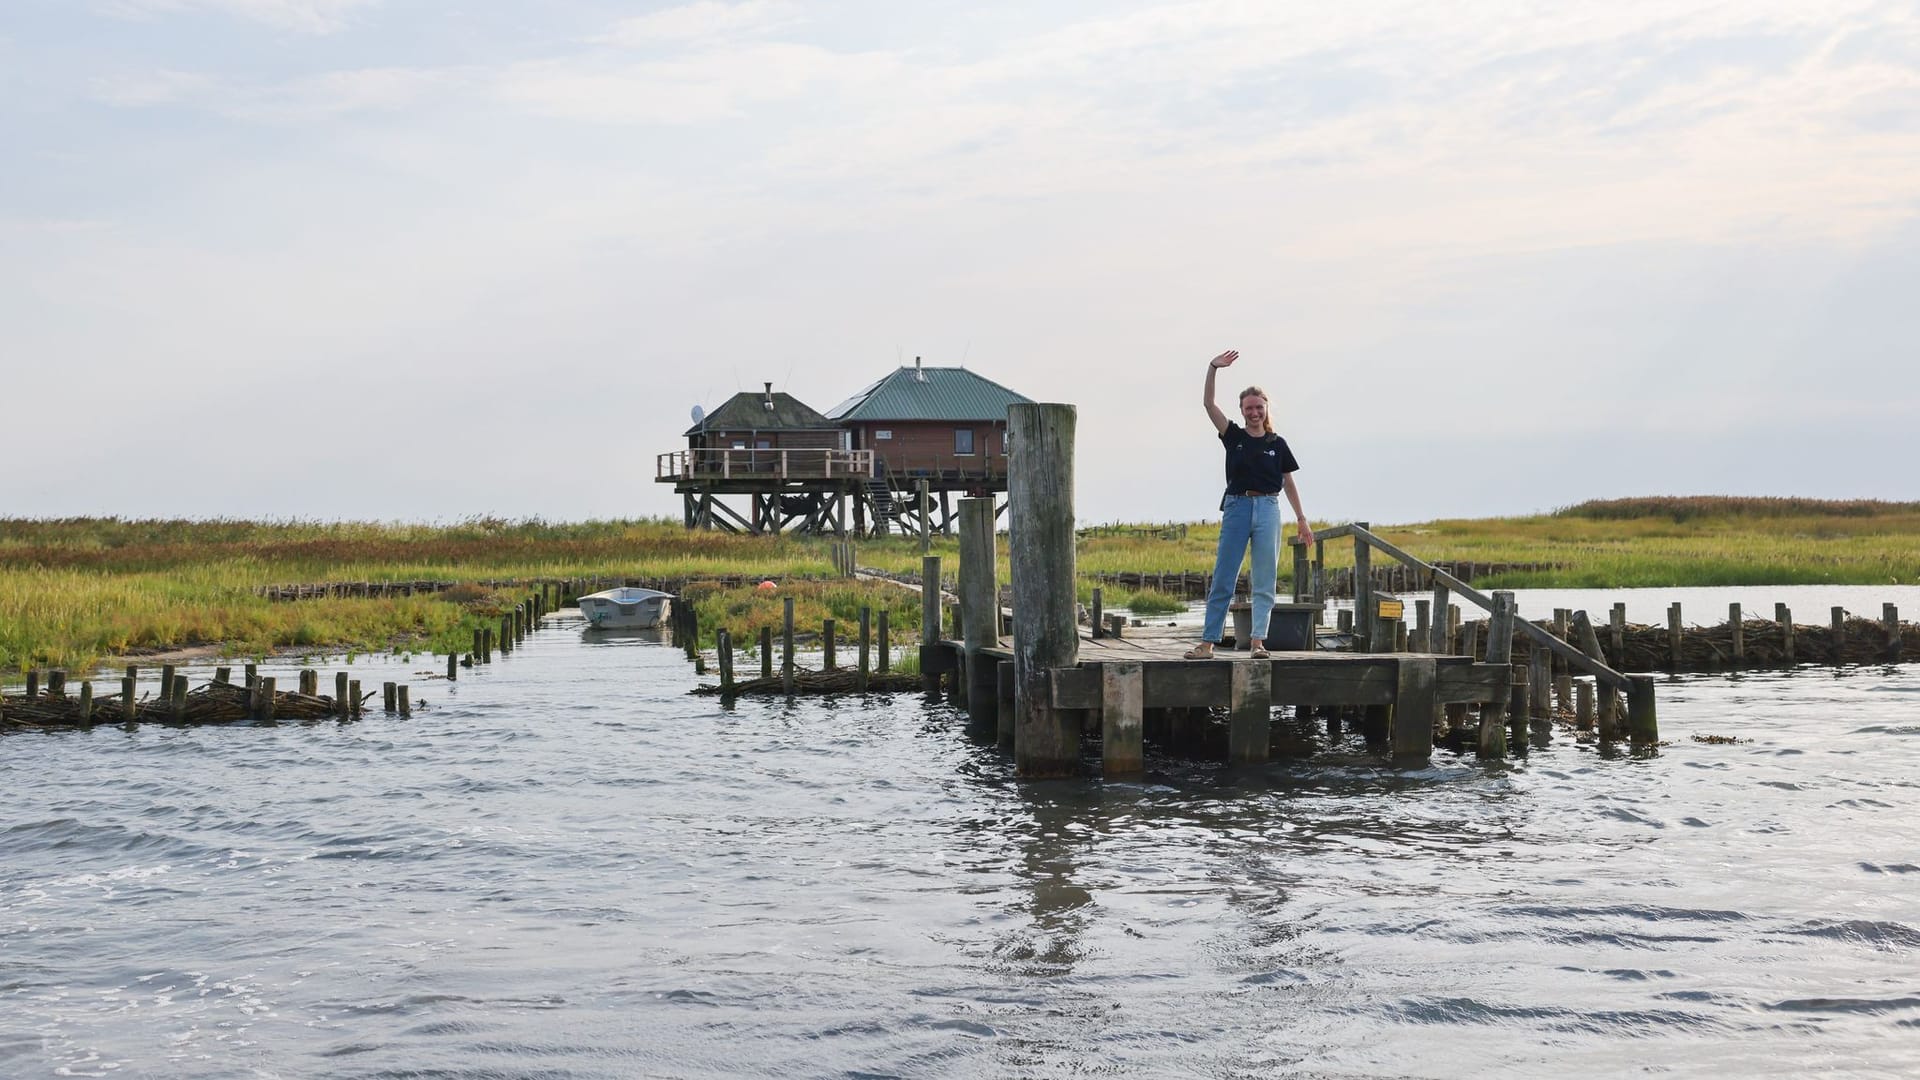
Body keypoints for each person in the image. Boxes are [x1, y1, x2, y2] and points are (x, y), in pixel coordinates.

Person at [1186, 349, 1313, 660]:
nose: (1254, 412)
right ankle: (1208, 644)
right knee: (1224, 577)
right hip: (1237, 507)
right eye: (1248, 408)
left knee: (1265, 578)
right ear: (1241, 410)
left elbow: (1289, 482)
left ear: (1266, 408)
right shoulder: (1233, 436)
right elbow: (1208, 405)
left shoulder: (1277, 444)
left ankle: (1258, 643)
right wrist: (1212, 368)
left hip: (1269, 509)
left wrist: (1301, 518)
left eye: (1259, 407)